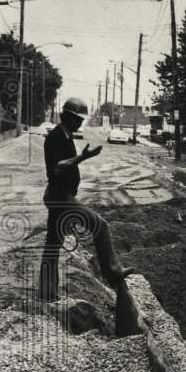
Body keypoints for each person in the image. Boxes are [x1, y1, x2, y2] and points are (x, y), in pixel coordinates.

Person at [39, 98, 134, 302]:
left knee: (53, 243)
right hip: (60, 197)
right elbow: (57, 167)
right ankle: (113, 271)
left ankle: (47, 292)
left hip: (61, 196)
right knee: (100, 225)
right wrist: (83, 158)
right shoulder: (56, 137)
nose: (81, 123)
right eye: (78, 119)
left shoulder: (64, 136)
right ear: (69, 118)